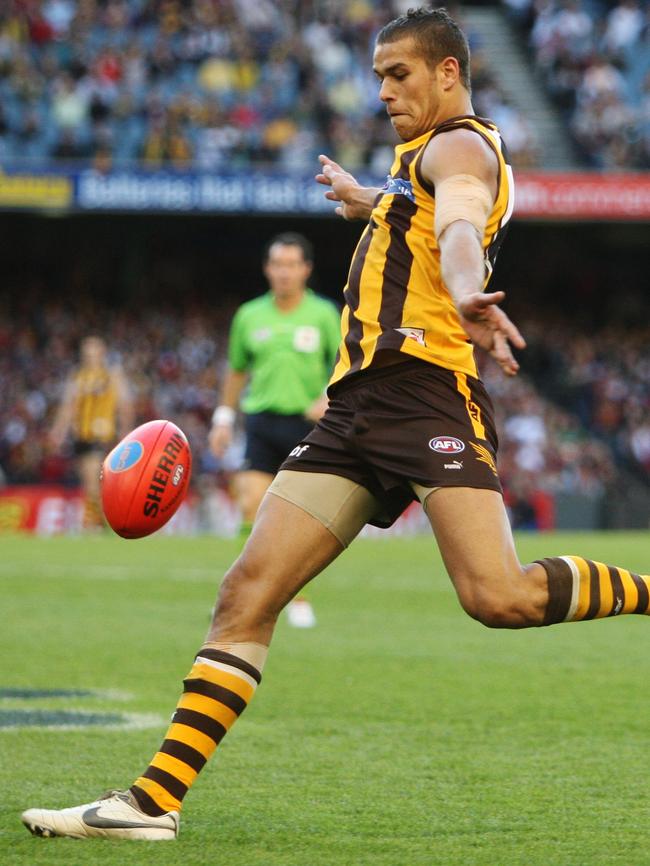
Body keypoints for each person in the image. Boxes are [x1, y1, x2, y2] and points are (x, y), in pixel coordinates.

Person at [22, 8, 649, 841]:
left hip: (426, 394)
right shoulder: (412, 165)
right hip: (356, 408)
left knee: (499, 598)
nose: (383, 89)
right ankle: (148, 805)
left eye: (401, 74)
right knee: (247, 593)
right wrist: (372, 203)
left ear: (450, 74)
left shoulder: (459, 146)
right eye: (379, 74)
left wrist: (466, 293)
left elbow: (460, 222)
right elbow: (425, 218)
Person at [209, 232, 341, 627]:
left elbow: (347, 360)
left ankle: (295, 595)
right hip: (262, 422)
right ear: (268, 269)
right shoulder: (249, 315)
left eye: (291, 265)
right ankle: (245, 592)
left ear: (306, 270)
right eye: (277, 265)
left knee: (298, 519)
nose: (283, 273)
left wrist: (328, 395)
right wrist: (223, 418)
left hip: (308, 426)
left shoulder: (323, 314)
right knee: (251, 504)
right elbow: (236, 370)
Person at [48, 335, 133, 530]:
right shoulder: (78, 377)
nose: (90, 356)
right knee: (90, 482)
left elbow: (125, 404)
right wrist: (58, 431)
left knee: (95, 478)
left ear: (102, 353)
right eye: (86, 353)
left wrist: (125, 431)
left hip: (103, 435)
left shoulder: (112, 375)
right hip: (82, 436)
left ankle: (96, 523)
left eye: (94, 352)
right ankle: (103, 520)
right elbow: (69, 407)